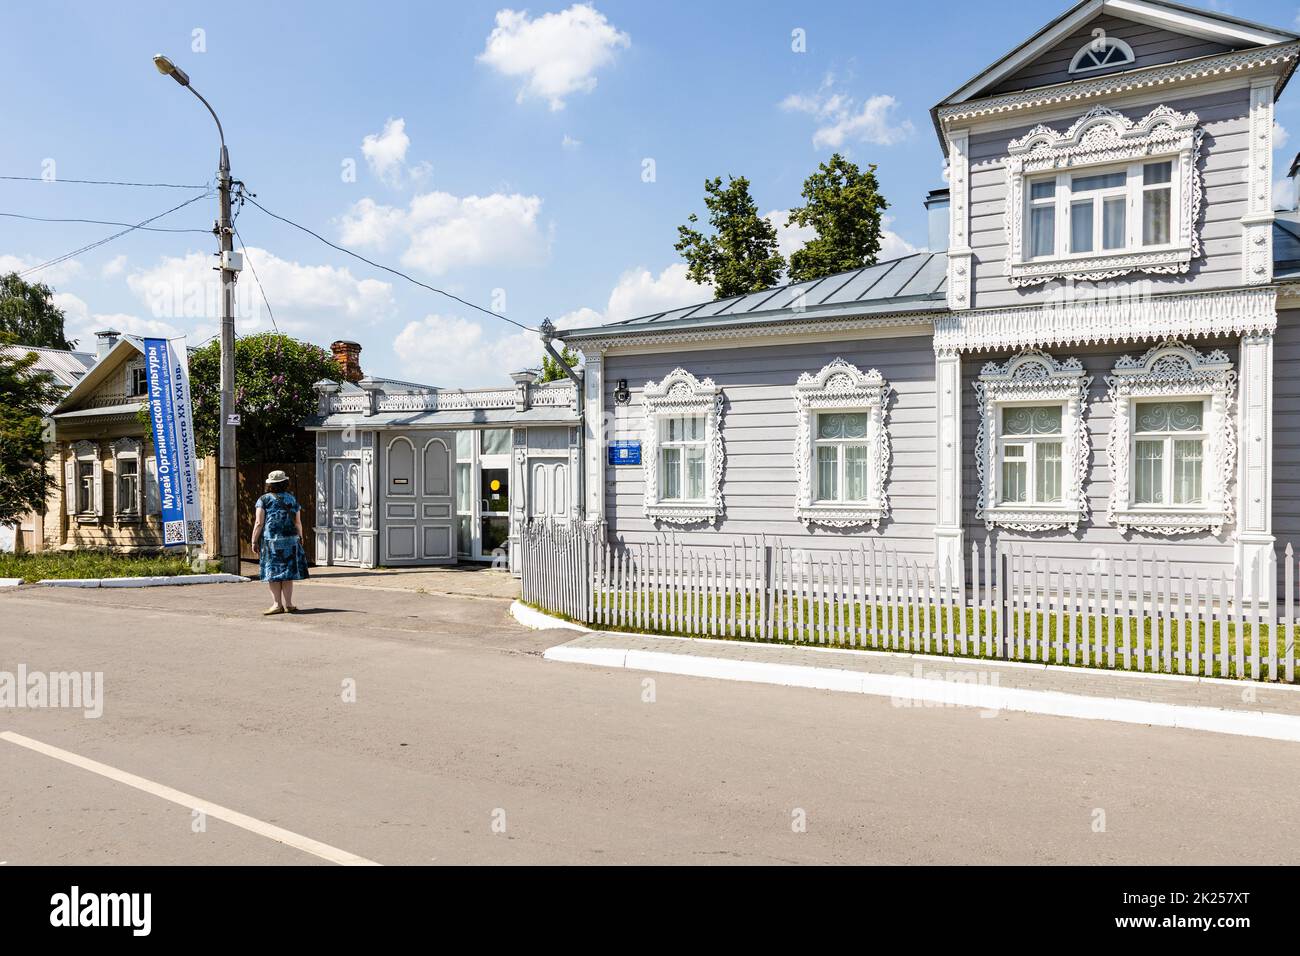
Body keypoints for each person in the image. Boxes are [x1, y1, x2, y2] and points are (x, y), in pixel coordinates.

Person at [250, 469, 309, 615]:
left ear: (269, 484)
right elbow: (298, 522)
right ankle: (289, 604)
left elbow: (259, 522)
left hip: (271, 542)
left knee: (273, 573)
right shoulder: (292, 499)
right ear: (285, 483)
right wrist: (300, 537)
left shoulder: (263, 500)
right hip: (291, 540)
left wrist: (254, 541)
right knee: (288, 573)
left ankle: (277, 604)